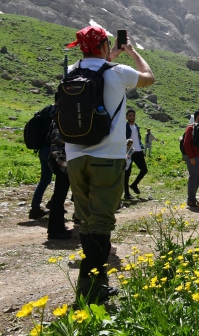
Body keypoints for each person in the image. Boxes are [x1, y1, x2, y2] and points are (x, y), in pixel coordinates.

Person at [64, 25, 154, 304]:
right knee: (102, 223)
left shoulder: (71, 72)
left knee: (87, 222)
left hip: (75, 158)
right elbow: (149, 78)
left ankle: (94, 285)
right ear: (104, 46)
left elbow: (95, 68)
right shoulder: (117, 73)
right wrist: (132, 51)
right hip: (108, 157)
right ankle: (90, 291)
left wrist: (108, 54)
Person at [45, 96, 71, 240]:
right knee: (58, 197)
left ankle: (58, 227)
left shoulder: (60, 115)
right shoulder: (59, 117)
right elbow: (57, 137)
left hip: (61, 160)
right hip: (60, 161)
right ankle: (55, 230)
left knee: (59, 196)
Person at [28, 101, 58, 220]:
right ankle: (54, 204)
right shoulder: (58, 112)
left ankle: (35, 207)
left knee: (44, 180)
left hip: (42, 149)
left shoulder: (45, 110)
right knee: (63, 179)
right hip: (54, 150)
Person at [123, 110, 148, 199]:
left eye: (133, 115)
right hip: (129, 153)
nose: (132, 117)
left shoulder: (136, 126)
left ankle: (134, 185)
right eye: (130, 116)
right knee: (127, 173)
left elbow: (138, 139)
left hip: (138, 151)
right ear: (126, 117)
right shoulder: (124, 127)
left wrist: (141, 149)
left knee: (144, 170)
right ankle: (126, 194)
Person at [183, 109, 199, 207]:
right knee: (193, 178)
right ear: (196, 117)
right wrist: (191, 157)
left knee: (198, 178)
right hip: (193, 157)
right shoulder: (191, 128)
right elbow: (186, 143)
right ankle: (190, 199)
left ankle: (193, 197)